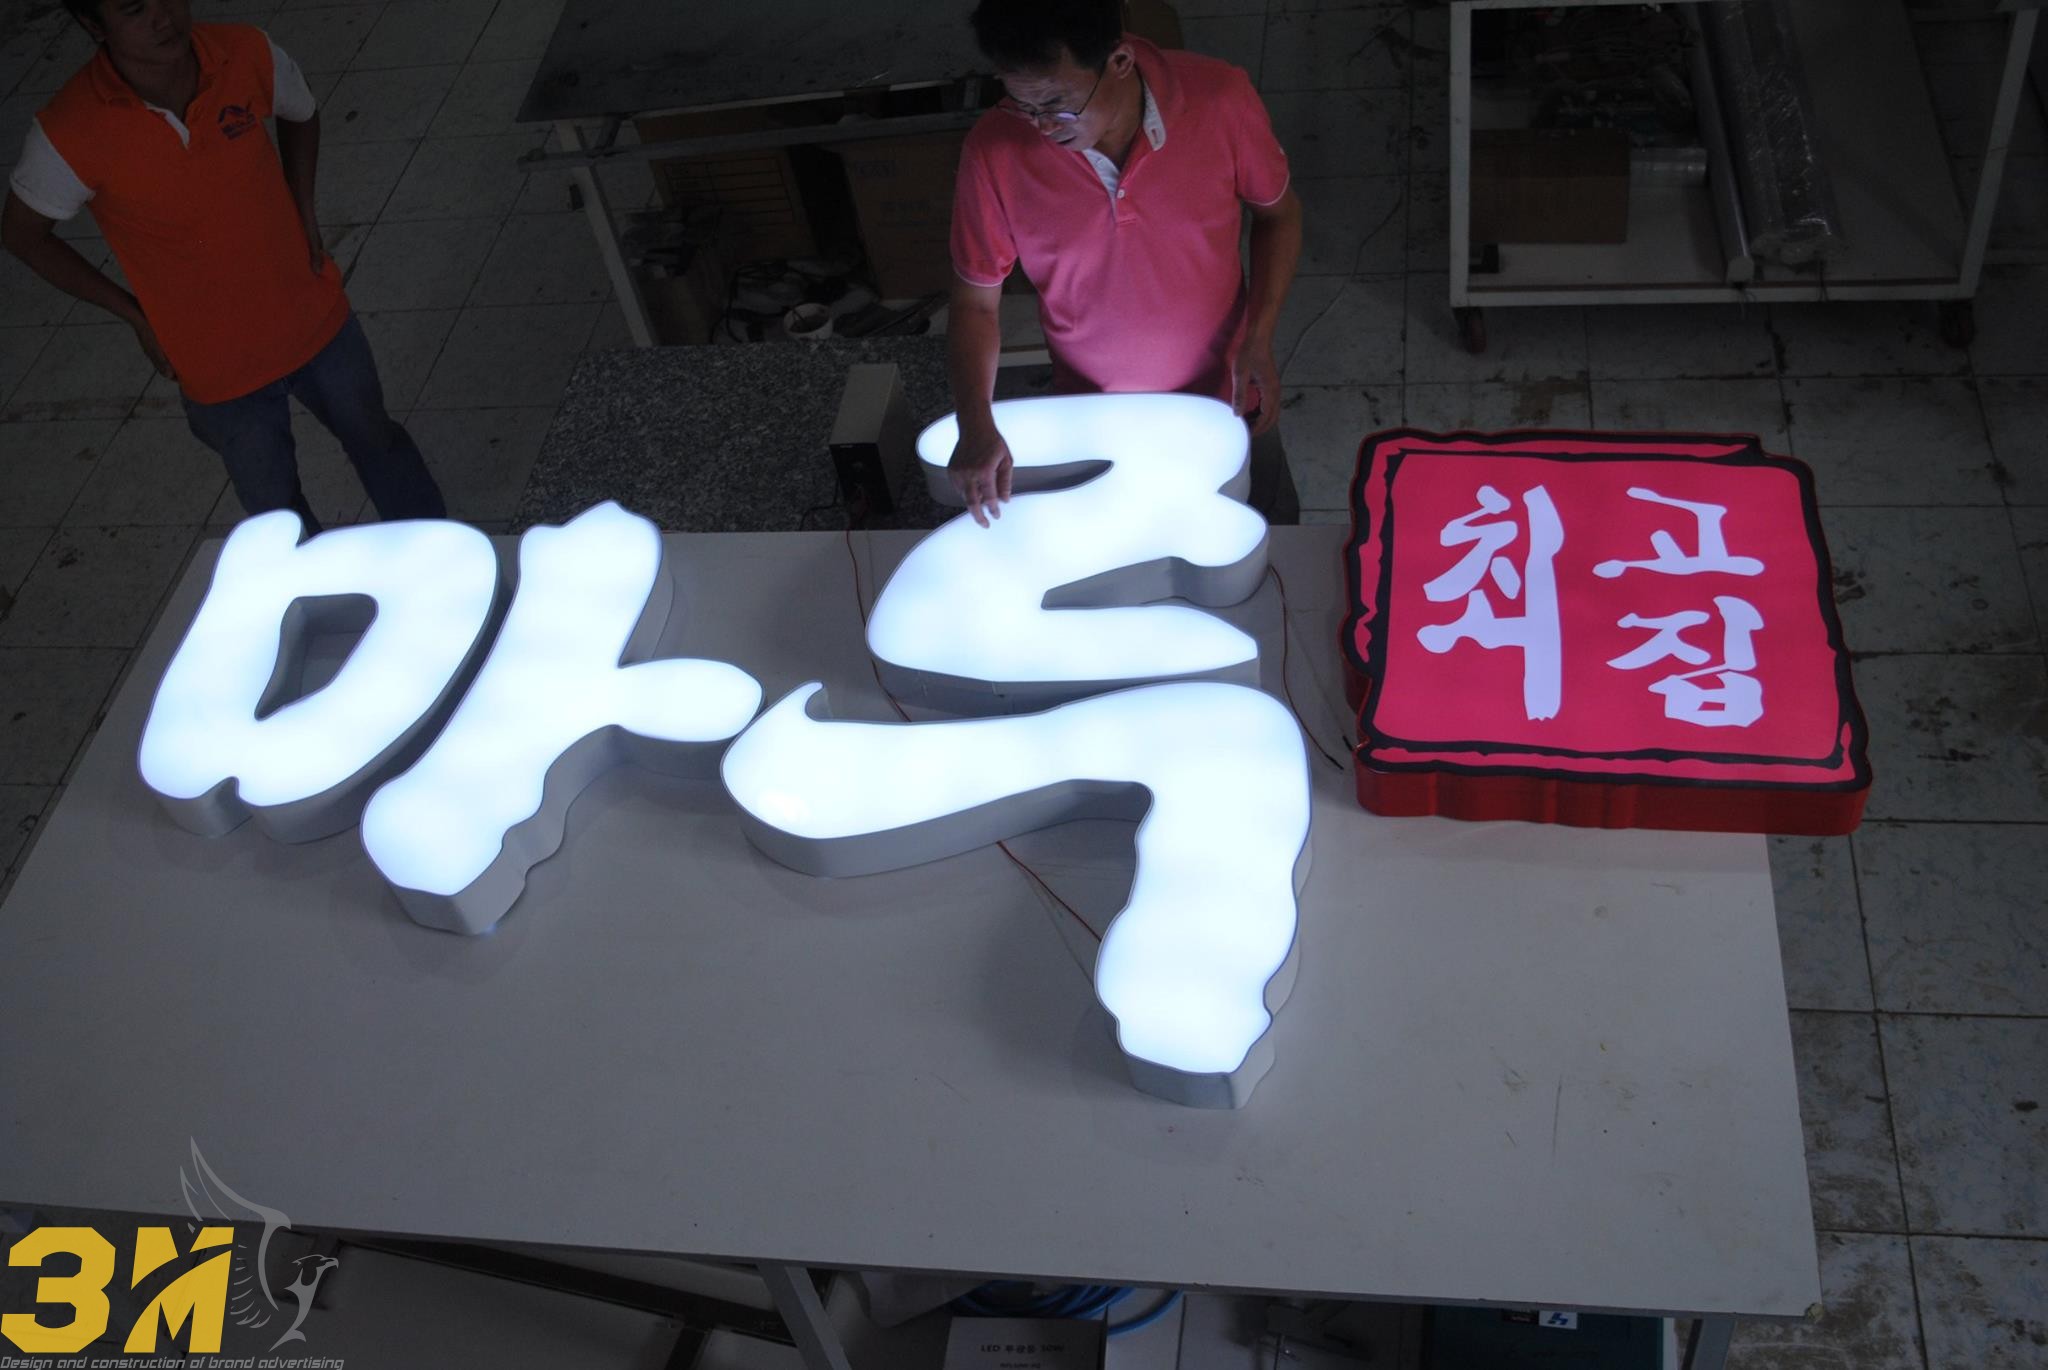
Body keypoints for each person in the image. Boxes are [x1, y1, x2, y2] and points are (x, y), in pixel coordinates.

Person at [1, 0, 444, 533]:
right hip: (215, 364)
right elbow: (22, 235)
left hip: (312, 315)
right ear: (93, 25)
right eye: (135, 9)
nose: (162, 17)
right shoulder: (69, 130)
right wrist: (135, 315)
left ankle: (441, 555)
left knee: (379, 444)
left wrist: (303, 210)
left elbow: (301, 111)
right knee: (275, 509)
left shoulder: (244, 51)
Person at [946, 0, 1304, 528]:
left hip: (1227, 400)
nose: (1043, 127)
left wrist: (1261, 334)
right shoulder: (994, 150)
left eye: (1057, 103)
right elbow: (975, 304)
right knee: (1126, 544)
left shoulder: (1218, 98)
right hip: (1095, 420)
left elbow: (1279, 215)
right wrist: (975, 422)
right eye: (1024, 105)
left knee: (1264, 528)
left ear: (1119, 61)